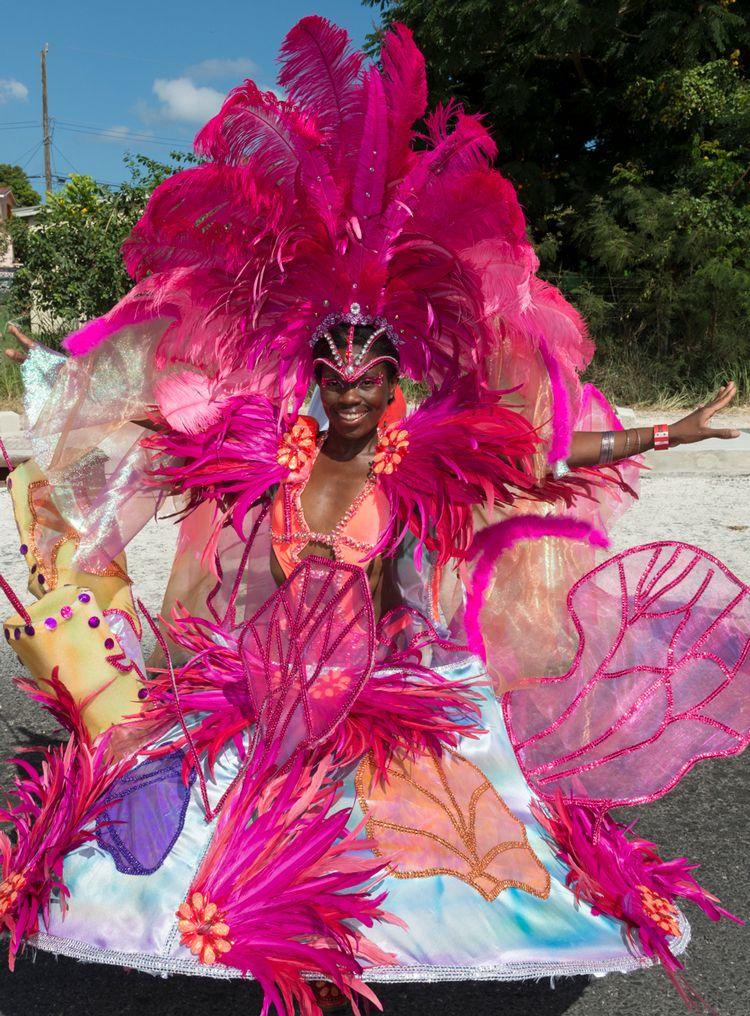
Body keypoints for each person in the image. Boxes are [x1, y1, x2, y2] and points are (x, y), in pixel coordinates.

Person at [0, 17, 747, 1016]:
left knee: (418, 869)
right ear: (313, 377)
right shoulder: (269, 454)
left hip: (375, 692)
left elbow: (538, 459)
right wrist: (49, 403)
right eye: (332, 368)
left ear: (395, 379)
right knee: (182, 849)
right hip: (264, 689)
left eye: (369, 369)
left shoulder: (417, 462)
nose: (348, 384)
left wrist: (666, 436)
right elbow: (153, 433)